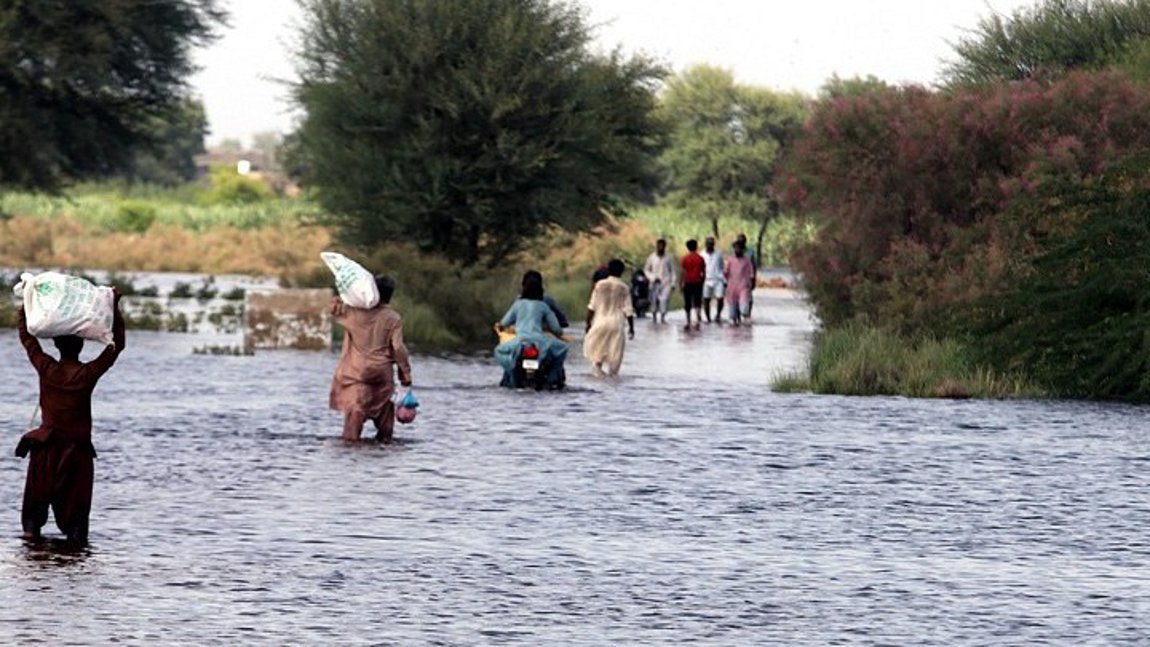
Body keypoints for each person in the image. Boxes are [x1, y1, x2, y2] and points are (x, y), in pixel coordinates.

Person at [15, 288, 126, 543]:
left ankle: (35, 563)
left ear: (55, 344)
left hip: (46, 450)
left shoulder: (47, 368)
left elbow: (27, 339)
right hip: (76, 453)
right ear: (81, 345)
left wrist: (27, 302)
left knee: (33, 517)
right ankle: (74, 568)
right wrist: (114, 305)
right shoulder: (87, 374)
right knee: (76, 522)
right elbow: (117, 346)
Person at [329, 275, 413, 443]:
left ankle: (352, 449)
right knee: (384, 411)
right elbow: (398, 347)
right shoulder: (393, 318)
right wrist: (405, 373)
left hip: (356, 373)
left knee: (355, 412)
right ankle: (384, 444)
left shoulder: (354, 313)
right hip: (382, 373)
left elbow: (333, 307)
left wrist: (345, 296)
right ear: (390, 295)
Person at [494, 272, 568, 389]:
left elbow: (504, 323)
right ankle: (551, 380)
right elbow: (557, 329)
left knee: (498, 351)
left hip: (520, 342)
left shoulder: (517, 304)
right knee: (564, 348)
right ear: (541, 290)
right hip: (540, 342)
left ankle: (512, 375)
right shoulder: (544, 305)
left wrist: (501, 327)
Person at [584, 259, 634, 377]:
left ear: (608, 270)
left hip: (600, 322)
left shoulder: (600, 285)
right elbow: (628, 310)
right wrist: (631, 328)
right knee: (615, 358)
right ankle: (612, 381)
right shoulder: (624, 288)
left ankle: (598, 377)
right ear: (622, 272)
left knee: (597, 355)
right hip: (617, 324)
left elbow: (591, 307)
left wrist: (587, 323)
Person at [643, 238, 677, 324]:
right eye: (659, 246)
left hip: (666, 282)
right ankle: (654, 317)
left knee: (664, 300)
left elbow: (672, 271)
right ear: (657, 246)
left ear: (665, 247)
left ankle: (662, 317)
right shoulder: (651, 257)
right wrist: (652, 277)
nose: (660, 248)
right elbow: (646, 270)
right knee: (653, 300)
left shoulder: (669, 258)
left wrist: (673, 283)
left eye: (662, 246)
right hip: (654, 282)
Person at [724, 241, 756, 326]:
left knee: (744, 308)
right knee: (732, 316)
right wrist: (725, 282)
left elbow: (751, 273)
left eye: (739, 248)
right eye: (735, 248)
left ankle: (746, 319)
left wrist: (752, 283)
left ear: (743, 250)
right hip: (732, 288)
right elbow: (726, 272)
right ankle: (736, 333)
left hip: (744, 287)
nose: (737, 250)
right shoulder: (730, 260)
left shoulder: (747, 260)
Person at [679, 239, 705, 330]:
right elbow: (703, 272)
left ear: (688, 247)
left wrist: (681, 283)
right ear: (696, 247)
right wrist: (702, 281)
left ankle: (688, 321)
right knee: (697, 301)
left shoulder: (685, 258)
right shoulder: (700, 258)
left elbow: (683, 272)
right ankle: (697, 319)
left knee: (687, 302)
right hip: (698, 282)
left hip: (688, 282)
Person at [734, 232, 759, 320]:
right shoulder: (734, 251)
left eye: (742, 240)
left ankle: (748, 314)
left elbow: (754, 265)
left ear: (745, 241)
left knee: (749, 297)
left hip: (747, 278)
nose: (741, 242)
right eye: (739, 240)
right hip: (736, 279)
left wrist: (754, 279)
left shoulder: (751, 252)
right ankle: (737, 316)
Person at [701, 235, 725, 324]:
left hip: (718, 279)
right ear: (705, 244)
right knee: (706, 299)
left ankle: (718, 314)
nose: (710, 245)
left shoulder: (719, 254)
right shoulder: (702, 254)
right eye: (708, 243)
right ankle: (708, 317)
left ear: (714, 244)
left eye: (711, 243)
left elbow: (722, 266)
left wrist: (723, 278)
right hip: (706, 280)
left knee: (720, 298)